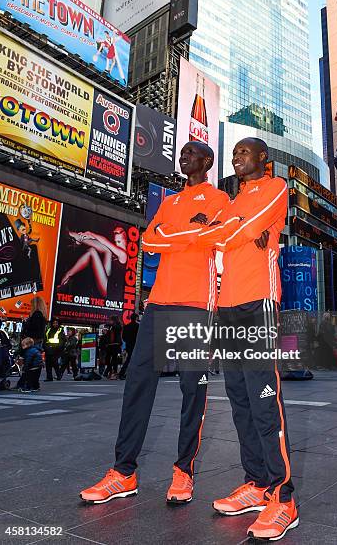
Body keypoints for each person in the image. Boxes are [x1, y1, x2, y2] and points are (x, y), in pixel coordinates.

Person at [80, 141, 229, 506]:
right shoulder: (170, 201)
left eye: (191, 152)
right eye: (181, 152)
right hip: (159, 302)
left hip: (196, 303)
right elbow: (150, 240)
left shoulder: (218, 199)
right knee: (137, 382)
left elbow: (212, 236)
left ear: (207, 161)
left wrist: (175, 236)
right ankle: (123, 472)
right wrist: (189, 234)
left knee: (192, 388)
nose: (183, 156)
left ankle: (183, 471)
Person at [188, 138, 298, 541]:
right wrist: (232, 230)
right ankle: (256, 483)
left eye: (244, 152)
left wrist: (230, 231)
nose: (237, 158)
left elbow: (242, 229)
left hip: (258, 302)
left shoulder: (275, 188)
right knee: (239, 399)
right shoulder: (232, 201)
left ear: (263, 158)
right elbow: (213, 237)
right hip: (227, 306)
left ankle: (283, 498)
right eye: (233, 154)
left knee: (265, 400)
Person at [59, 226, 128, 299]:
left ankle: (68, 275)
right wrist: (91, 237)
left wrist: (91, 234)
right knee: (108, 250)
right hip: (108, 279)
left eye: (119, 242)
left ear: (125, 241)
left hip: (109, 291)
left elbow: (106, 242)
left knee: (92, 251)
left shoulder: (123, 255)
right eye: (115, 242)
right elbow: (104, 244)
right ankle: (78, 237)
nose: (117, 244)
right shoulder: (118, 252)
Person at [118, 315, 139, 380]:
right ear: (136, 318)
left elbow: (123, 337)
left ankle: (122, 373)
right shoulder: (137, 326)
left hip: (129, 345)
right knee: (135, 360)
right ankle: (129, 373)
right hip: (135, 345)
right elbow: (139, 336)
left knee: (129, 359)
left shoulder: (126, 326)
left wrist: (128, 341)